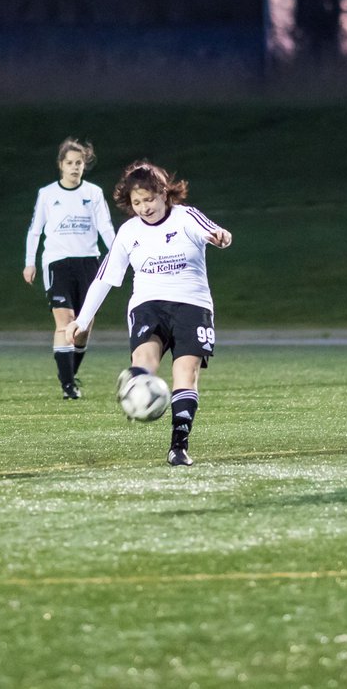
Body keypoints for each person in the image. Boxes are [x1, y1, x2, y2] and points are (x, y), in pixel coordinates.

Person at [65, 160, 232, 466]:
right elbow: (105, 278)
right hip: (148, 304)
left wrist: (221, 237)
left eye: (149, 199)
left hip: (192, 304)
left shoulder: (186, 217)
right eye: (136, 202)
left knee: (186, 373)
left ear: (164, 194)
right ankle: (137, 389)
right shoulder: (128, 232)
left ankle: (178, 447)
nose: (144, 207)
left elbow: (216, 232)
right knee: (143, 362)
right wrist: (82, 318)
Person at [23, 138, 116, 400]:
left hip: (89, 262)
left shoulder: (93, 193)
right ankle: (67, 386)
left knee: (84, 326)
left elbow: (105, 227)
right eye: (70, 163)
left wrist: (120, 254)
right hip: (58, 262)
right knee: (65, 322)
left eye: (79, 163)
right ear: (60, 165)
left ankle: (68, 374)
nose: (75, 167)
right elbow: (35, 230)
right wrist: (30, 262)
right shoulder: (47, 194)